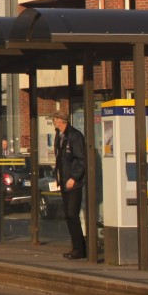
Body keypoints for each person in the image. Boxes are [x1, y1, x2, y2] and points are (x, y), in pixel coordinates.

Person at [52, 108, 86, 259]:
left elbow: (81, 159)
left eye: (54, 120)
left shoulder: (74, 136)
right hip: (64, 181)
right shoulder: (59, 136)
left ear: (60, 121)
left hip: (73, 182)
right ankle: (77, 247)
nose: (53, 122)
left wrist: (74, 177)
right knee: (68, 215)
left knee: (72, 214)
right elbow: (60, 159)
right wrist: (57, 176)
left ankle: (80, 249)